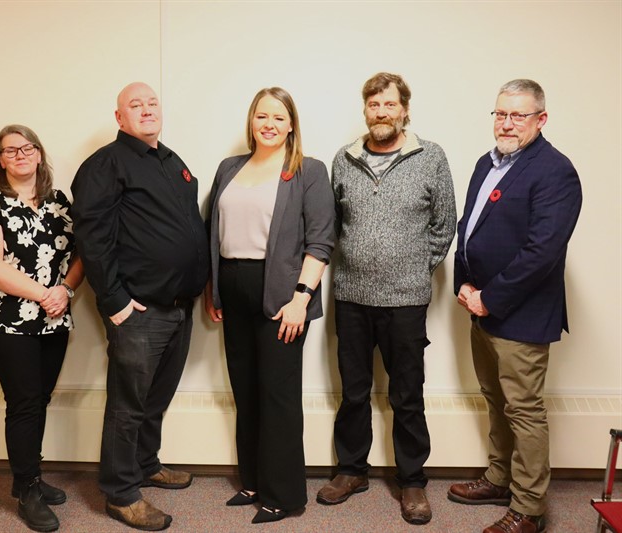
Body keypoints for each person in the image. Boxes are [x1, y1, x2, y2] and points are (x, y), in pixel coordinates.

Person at [317, 72, 456, 525]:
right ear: (366, 110)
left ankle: (412, 480)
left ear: (404, 109)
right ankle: (351, 470)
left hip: (406, 299)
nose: (381, 112)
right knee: (353, 391)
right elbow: (331, 225)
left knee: (406, 394)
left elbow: (445, 223)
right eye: (374, 105)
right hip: (352, 296)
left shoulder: (430, 156)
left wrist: (416, 269)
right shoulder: (345, 159)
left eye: (389, 105)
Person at [71, 82, 209, 531]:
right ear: (119, 118)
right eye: (136, 105)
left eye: (152, 103)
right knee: (128, 406)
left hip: (178, 308)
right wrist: (116, 303)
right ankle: (120, 492)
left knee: (155, 399)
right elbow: (93, 240)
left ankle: (146, 463)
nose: (146, 110)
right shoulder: (104, 166)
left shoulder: (173, 162)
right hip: (138, 312)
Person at [447, 79, 582, 533]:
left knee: (523, 410)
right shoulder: (488, 163)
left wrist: (491, 297)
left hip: (519, 314)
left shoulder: (555, 171)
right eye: (500, 114)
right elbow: (469, 226)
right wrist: (464, 284)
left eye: (518, 115)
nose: (506, 123)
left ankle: (528, 509)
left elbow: (542, 251)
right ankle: (499, 478)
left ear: (541, 119)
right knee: (495, 399)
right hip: (479, 306)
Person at [204, 87, 334, 524]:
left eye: (279, 117)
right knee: (246, 390)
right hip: (233, 288)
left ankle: (285, 495)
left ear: (292, 124)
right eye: (262, 116)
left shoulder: (307, 172)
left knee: (278, 395)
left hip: (282, 294)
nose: (270, 124)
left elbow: (320, 242)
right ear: (252, 121)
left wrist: (302, 299)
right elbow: (212, 231)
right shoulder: (230, 168)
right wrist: (214, 289)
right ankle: (254, 481)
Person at [0, 125, 83, 533]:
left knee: (41, 399)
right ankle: (28, 491)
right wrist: (45, 294)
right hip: (8, 320)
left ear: (39, 153)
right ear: (0, 159)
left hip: (55, 318)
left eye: (26, 147)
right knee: (24, 402)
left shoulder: (59, 202)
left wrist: (66, 290)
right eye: (9, 150)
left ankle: (28, 477)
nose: (19, 155)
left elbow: (81, 252)